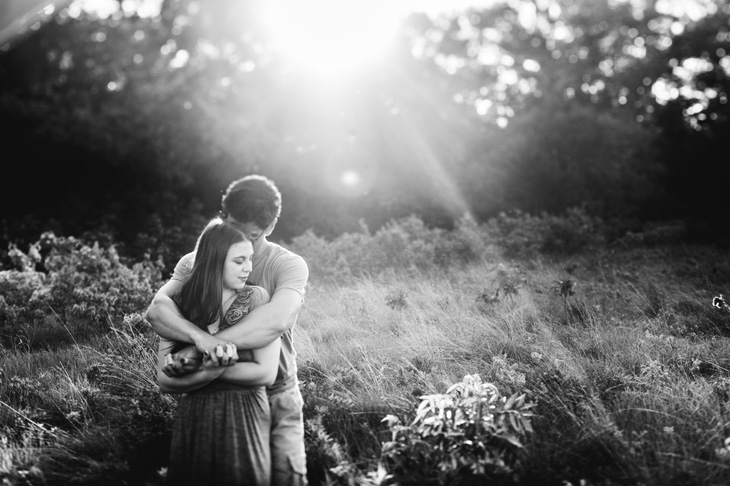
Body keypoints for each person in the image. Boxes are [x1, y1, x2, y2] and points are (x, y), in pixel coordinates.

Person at [147, 175, 309, 485]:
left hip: (275, 389)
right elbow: (158, 310)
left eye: (251, 233)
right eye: (232, 224)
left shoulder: (287, 265)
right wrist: (201, 342)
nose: (239, 236)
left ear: (270, 226)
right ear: (224, 216)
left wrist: (198, 351)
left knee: (288, 478)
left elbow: (276, 320)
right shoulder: (194, 262)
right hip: (206, 391)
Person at [156, 218, 279, 485]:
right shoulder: (179, 307)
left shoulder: (257, 298)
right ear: (214, 260)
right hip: (195, 418)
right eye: (239, 261)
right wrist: (207, 373)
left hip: (244, 415)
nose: (248, 267)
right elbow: (165, 381)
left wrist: (208, 369)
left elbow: (266, 373)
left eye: (250, 259)